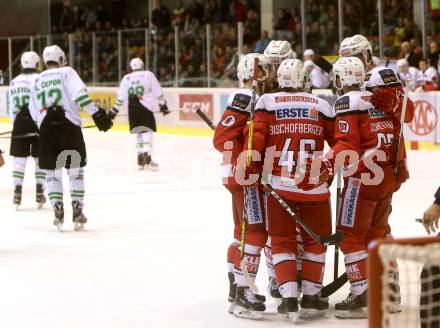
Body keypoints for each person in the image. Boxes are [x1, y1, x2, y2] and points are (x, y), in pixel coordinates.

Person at [302, 34, 414, 318]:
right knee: (378, 234)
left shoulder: (381, 76)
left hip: (366, 174)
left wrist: (327, 165)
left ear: (367, 54)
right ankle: (389, 294)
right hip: (385, 171)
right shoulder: (360, 86)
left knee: (352, 234)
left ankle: (364, 294)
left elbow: (408, 113)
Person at [246, 59, 335, 321]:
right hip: (315, 188)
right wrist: (328, 166)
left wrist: (253, 167)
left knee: (282, 242)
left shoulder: (266, 103)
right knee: (315, 243)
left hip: (279, 187)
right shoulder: (321, 105)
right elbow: (341, 141)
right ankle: (310, 297)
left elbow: (257, 142)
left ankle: (288, 299)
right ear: (303, 80)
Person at [29, 45, 113, 231]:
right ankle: (77, 208)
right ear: (60, 59)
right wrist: (97, 114)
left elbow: (33, 111)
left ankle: (57, 208)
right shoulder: (67, 72)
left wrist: (42, 128)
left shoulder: (37, 80)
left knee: (52, 173)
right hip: (69, 128)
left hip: (46, 129)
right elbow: (80, 96)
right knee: (75, 171)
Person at [213, 53, 269, 320]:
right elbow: (221, 137)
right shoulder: (247, 98)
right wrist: (243, 158)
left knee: (241, 233)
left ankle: (236, 290)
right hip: (244, 176)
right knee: (254, 232)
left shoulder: (249, 98)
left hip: (238, 175)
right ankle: (244, 292)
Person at [109, 58, 170, 171]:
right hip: (145, 107)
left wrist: (114, 111)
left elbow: (121, 97)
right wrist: (163, 105)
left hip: (132, 108)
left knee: (139, 133)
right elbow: (158, 91)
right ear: (142, 65)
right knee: (147, 131)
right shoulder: (148, 75)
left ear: (131, 67)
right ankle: (147, 158)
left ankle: (140, 159)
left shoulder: (126, 78)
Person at [8, 51, 46, 209]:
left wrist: (15, 126)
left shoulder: (14, 82)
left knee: (19, 160)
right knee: (39, 158)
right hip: (37, 123)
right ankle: (39, 192)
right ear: (37, 64)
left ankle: (17, 192)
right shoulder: (41, 79)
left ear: (22, 64)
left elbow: (10, 108)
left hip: (19, 123)